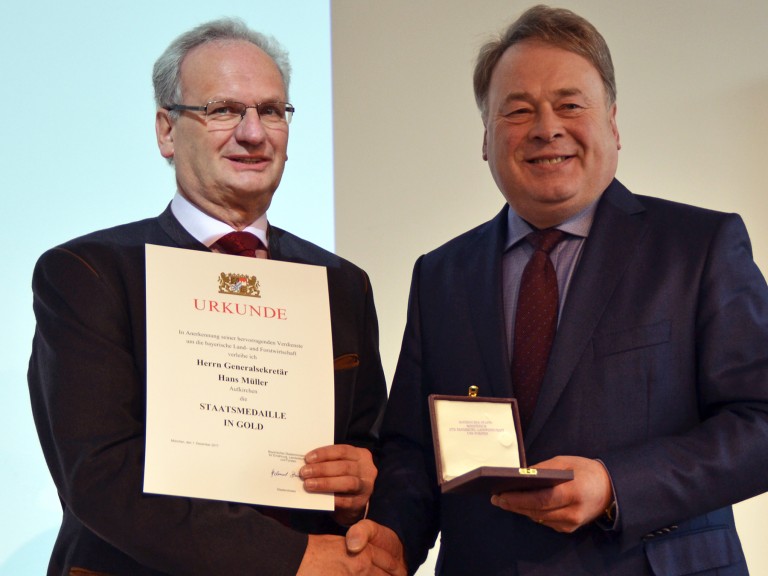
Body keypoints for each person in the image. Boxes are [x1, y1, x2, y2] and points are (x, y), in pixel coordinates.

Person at [351, 4, 768, 575]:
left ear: (614, 124)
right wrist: (393, 538)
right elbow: (413, 451)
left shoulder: (699, 247)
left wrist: (616, 484)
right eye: (517, 111)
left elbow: (761, 422)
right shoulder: (441, 275)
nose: (547, 128)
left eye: (570, 105)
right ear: (485, 138)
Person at [27, 18, 402, 576]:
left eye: (272, 111)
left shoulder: (340, 283)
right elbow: (102, 475)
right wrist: (293, 557)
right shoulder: (88, 274)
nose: (254, 133)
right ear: (166, 130)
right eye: (223, 110)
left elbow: (367, 446)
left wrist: (359, 481)